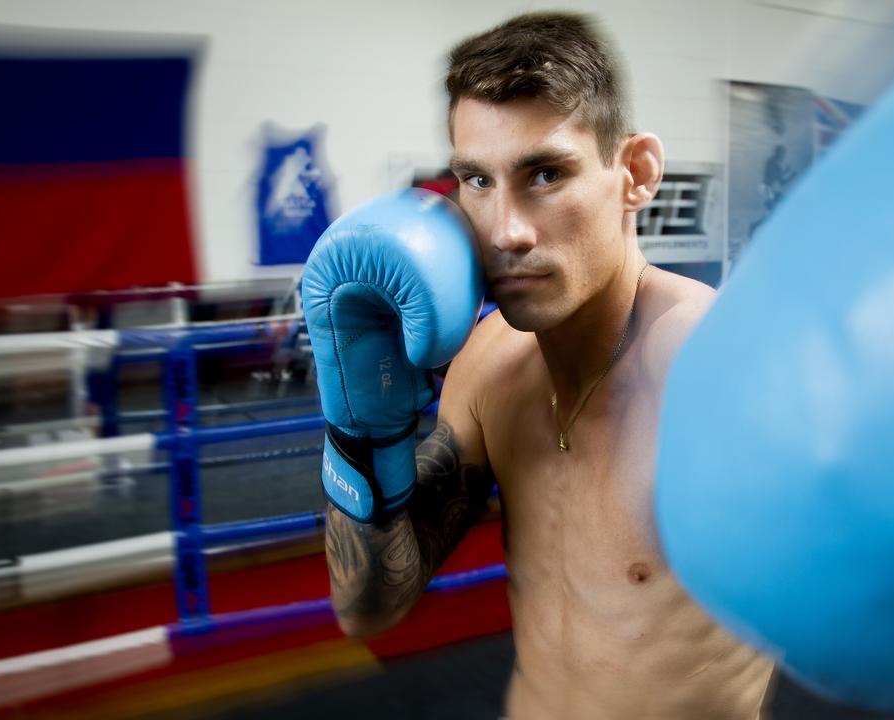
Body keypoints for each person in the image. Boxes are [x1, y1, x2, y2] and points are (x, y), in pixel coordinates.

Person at [313, 12, 774, 719]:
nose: (507, 231)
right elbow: (370, 606)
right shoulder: (486, 367)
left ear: (636, 173)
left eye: (546, 173)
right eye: (477, 179)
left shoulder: (718, 367)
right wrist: (358, 429)